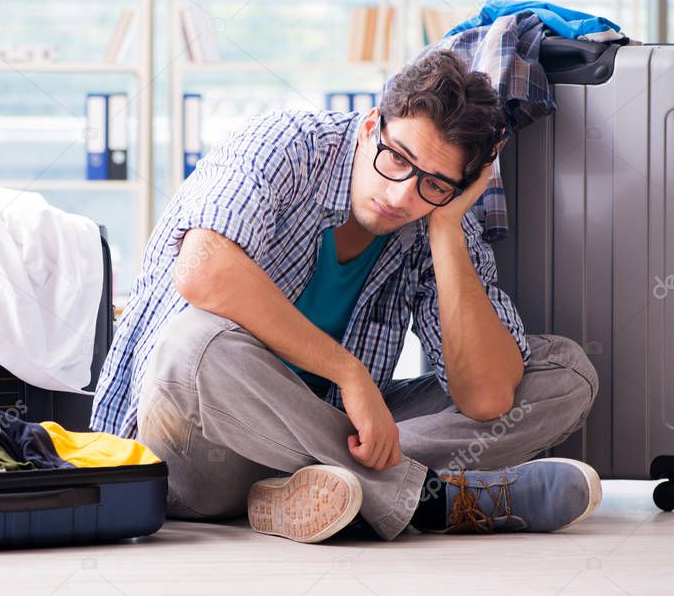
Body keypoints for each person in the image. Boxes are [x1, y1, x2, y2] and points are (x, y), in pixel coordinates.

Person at [90, 49, 601, 543]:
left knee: (563, 371)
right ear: (370, 124)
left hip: (335, 435)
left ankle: (323, 493)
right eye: (397, 158)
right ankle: (429, 498)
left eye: (436, 185)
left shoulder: (438, 213)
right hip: (205, 448)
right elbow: (203, 272)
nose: (403, 196)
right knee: (192, 343)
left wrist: (445, 228)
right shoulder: (285, 145)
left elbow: (486, 398)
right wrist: (348, 372)